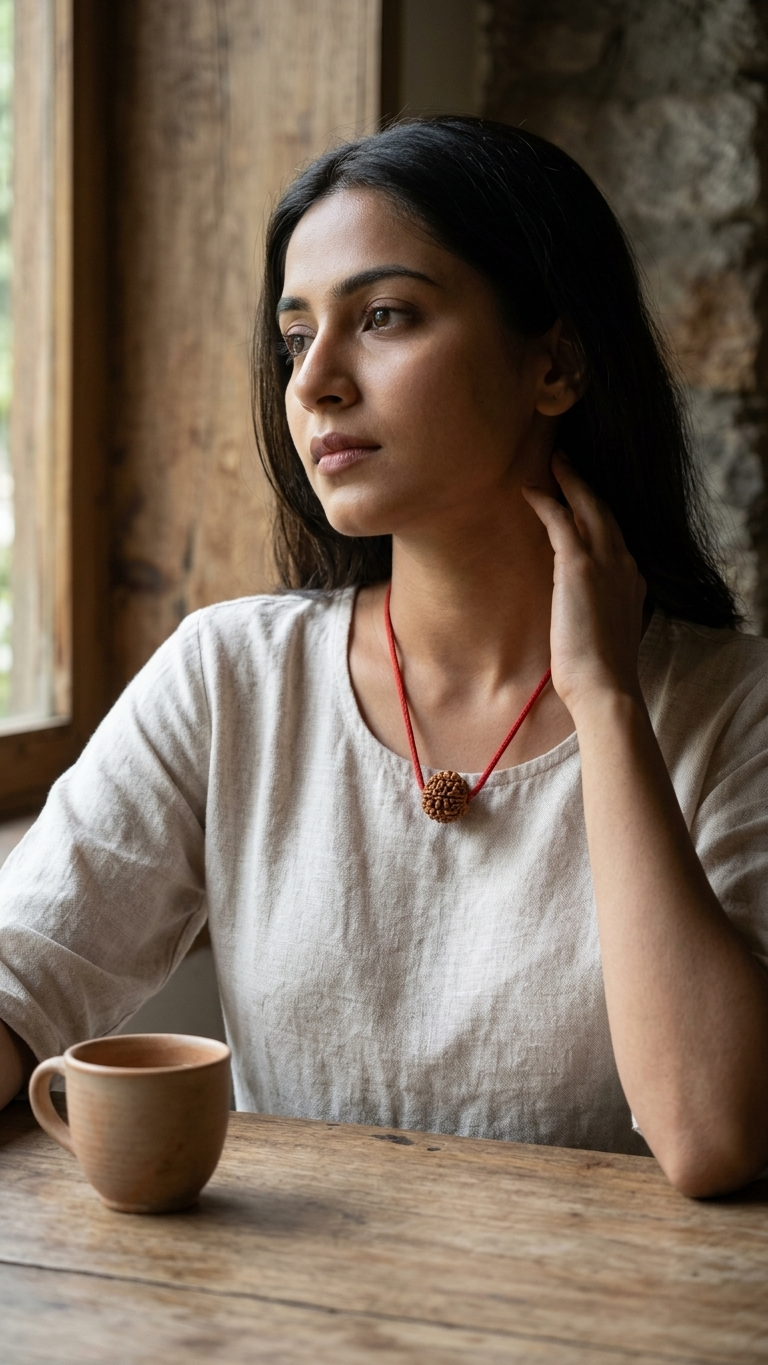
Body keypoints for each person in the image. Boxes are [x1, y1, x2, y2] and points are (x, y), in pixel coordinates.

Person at [1, 117, 767, 1197]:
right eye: (294, 337)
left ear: (554, 362)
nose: (316, 382)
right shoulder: (232, 681)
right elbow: (20, 974)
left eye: (386, 317)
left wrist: (604, 700)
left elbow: (714, 1133)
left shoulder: (735, 711)